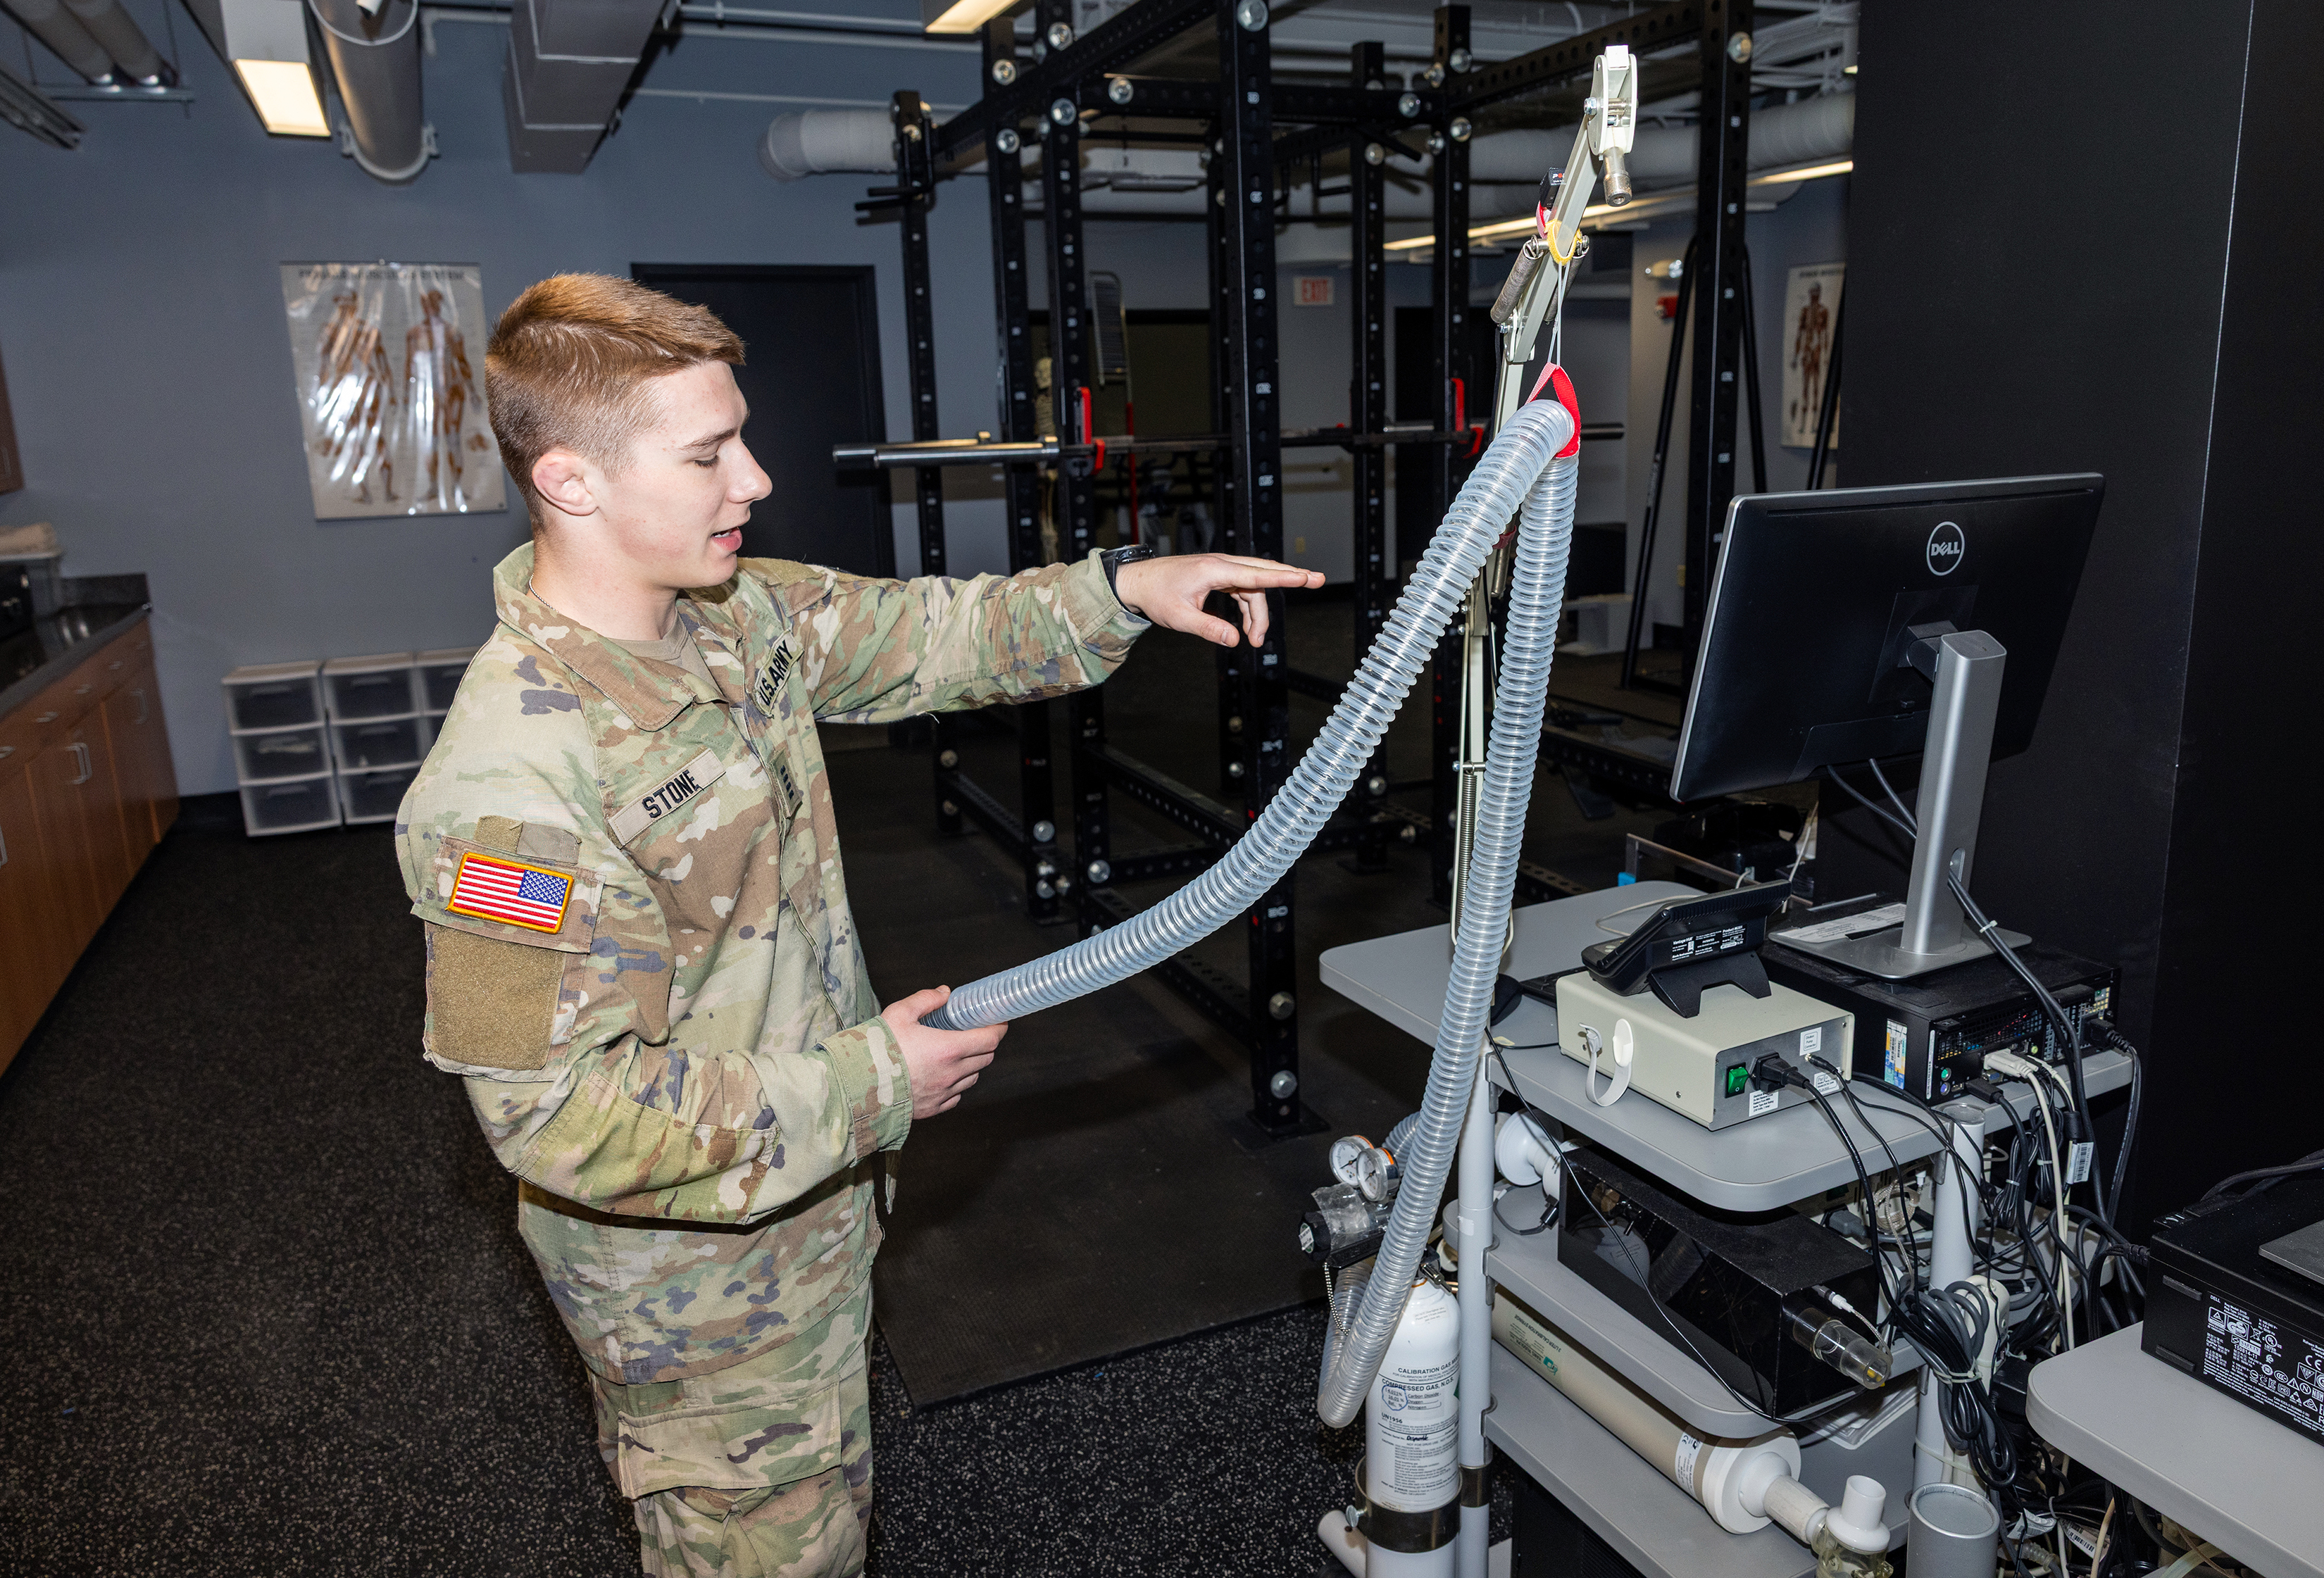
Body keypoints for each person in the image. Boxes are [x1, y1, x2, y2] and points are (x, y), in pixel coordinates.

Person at [393, 273, 1320, 1577]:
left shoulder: (729, 615)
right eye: (709, 453)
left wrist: (1125, 587)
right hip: (697, 1299)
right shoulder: (500, 799)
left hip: (810, 1213)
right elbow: (548, 1115)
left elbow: (922, 633)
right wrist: (876, 1076)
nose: (754, 480)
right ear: (572, 481)